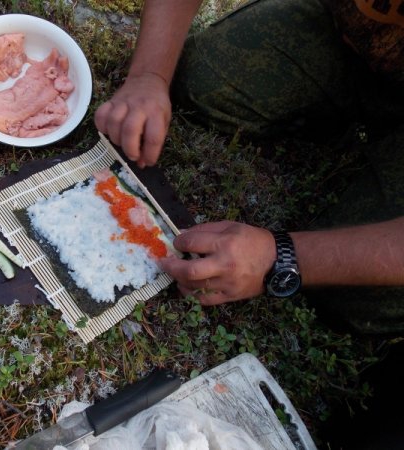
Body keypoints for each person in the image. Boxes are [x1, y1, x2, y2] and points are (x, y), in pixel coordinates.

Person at [95, 0, 404, 448]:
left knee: (355, 296)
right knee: (201, 80)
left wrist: (283, 258)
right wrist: (148, 76)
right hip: (353, 39)